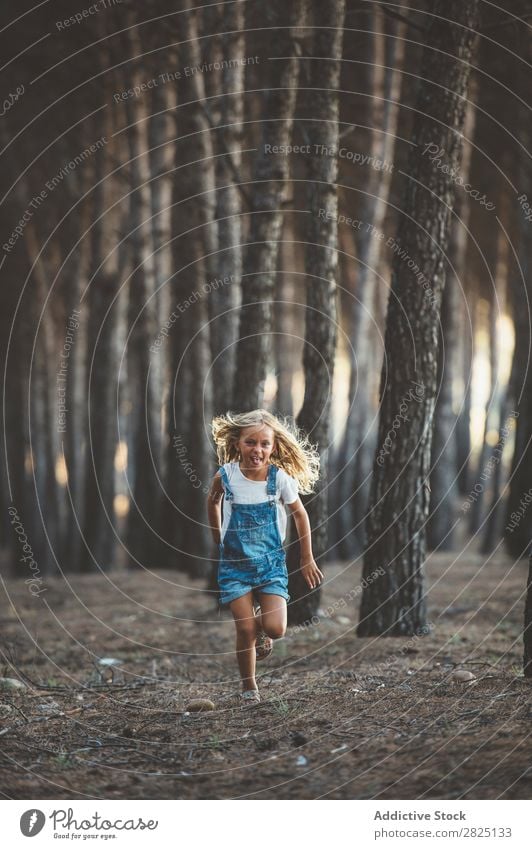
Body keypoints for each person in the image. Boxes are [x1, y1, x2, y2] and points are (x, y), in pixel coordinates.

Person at [207, 409, 323, 704]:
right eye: (250, 442)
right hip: (235, 565)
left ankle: (263, 629)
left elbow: (300, 515)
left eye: (264, 444)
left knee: (276, 628)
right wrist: (217, 538)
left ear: (273, 447)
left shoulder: (280, 479)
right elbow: (213, 501)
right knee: (244, 628)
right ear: (237, 444)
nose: (257, 450)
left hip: (271, 564)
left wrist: (306, 558)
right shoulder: (226, 475)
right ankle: (249, 688)